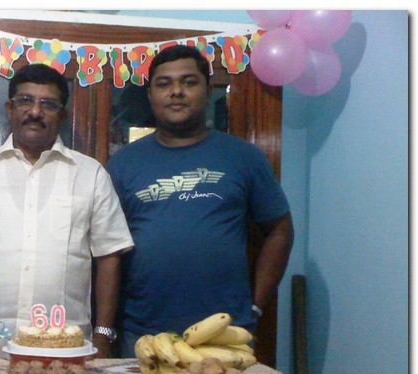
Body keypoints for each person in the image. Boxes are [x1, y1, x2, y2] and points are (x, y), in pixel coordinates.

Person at [0, 63, 133, 359]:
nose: (35, 112)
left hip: (64, 347)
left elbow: (108, 256)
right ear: (9, 109)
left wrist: (103, 334)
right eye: (25, 101)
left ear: (62, 114)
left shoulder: (90, 174)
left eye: (48, 104)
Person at [106, 45, 294, 358]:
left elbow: (280, 229)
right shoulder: (123, 164)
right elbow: (106, 248)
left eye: (189, 82)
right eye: (164, 84)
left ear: (208, 91)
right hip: (142, 333)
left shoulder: (243, 157)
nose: (176, 91)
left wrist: (256, 307)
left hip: (224, 334)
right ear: (150, 95)